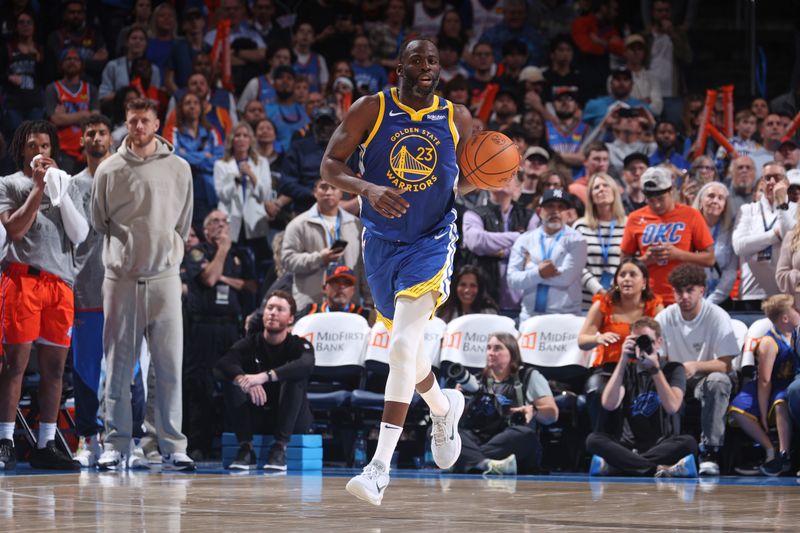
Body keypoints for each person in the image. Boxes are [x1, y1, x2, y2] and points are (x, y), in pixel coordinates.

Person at [320, 39, 473, 505]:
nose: (427, 66)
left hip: (432, 239)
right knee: (406, 352)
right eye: (417, 60)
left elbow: (466, 176)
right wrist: (366, 188)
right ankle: (444, 407)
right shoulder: (372, 108)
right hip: (382, 242)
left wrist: (489, 175)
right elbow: (330, 165)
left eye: (433, 60)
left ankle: (379, 467)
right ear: (399, 67)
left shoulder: (457, 117)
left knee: (403, 344)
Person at [91, 98, 195, 472]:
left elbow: (183, 222)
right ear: (127, 123)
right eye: (132, 121)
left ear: (156, 124)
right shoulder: (109, 169)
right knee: (118, 365)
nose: (138, 127)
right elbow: (99, 221)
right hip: (121, 279)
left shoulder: (180, 168)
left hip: (165, 277)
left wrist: (167, 252)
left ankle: (170, 444)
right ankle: (115, 443)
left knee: (169, 366)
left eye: (144, 121)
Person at [0, 120, 89, 471]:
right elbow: (16, 229)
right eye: (32, 145)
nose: (39, 152)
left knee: (54, 370)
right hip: (22, 280)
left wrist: (60, 191)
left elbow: (80, 235)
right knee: (15, 365)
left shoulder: (68, 184)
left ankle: (46, 444)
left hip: (60, 284)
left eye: (46, 146)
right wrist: (38, 188)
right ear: (21, 149)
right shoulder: (9, 184)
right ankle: (5, 440)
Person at [71, 114, 150, 469]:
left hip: (124, 288)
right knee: (86, 370)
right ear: (82, 142)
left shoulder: (127, 180)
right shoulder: (70, 186)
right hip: (85, 289)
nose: (97, 138)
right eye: (91, 133)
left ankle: (130, 441)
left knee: (131, 370)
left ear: (111, 139)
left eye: (103, 132)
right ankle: (88, 439)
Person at [183, 209, 257, 460]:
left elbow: (251, 286)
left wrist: (225, 275)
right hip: (202, 328)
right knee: (199, 386)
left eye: (225, 221)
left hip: (230, 328)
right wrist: (222, 251)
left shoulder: (241, 254)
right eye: (214, 221)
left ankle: (242, 444)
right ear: (205, 229)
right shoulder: (197, 251)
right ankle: (198, 445)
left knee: (236, 384)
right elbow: (209, 279)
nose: (221, 225)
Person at [656, 264, 740, 476]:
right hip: (678, 381)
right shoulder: (665, 317)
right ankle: (663, 451)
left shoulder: (717, 316)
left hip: (707, 378)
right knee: (653, 380)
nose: (684, 296)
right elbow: (658, 359)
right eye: (678, 291)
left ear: (702, 290)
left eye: (689, 290)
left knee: (717, 381)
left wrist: (695, 366)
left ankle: (710, 451)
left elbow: (725, 364)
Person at [585, 317, 697, 477]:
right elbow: (609, 404)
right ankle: (658, 469)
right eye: (636, 341)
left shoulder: (673, 369)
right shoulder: (626, 370)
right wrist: (623, 359)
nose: (641, 346)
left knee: (689, 443)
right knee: (593, 439)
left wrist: (655, 370)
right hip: (627, 446)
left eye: (647, 341)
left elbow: (672, 407)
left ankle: (620, 467)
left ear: (658, 342)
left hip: (662, 445)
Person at [216, 289, 314, 471]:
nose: (273, 313)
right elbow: (223, 363)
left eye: (280, 309)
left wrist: (264, 376)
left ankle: (280, 447)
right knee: (233, 380)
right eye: (270, 308)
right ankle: (246, 448)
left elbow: (306, 364)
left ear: (291, 318)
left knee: (294, 378)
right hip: (258, 413)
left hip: (290, 418)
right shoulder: (251, 342)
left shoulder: (297, 344)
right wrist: (243, 379)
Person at [453, 333, 557, 475]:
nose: (491, 353)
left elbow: (552, 415)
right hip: (479, 438)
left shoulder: (529, 376)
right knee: (441, 431)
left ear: (512, 353)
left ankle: (467, 459)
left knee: (526, 434)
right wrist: (457, 399)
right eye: (489, 348)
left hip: (508, 440)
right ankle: (487, 464)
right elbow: (456, 420)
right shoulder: (475, 381)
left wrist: (535, 411)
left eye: (497, 348)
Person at [578, 258, 664, 425]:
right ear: (616, 281)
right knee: (597, 392)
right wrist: (598, 338)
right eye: (622, 275)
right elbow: (582, 341)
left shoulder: (655, 306)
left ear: (644, 282)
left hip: (643, 369)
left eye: (633, 275)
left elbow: (664, 341)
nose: (626, 279)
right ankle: (602, 441)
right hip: (609, 369)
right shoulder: (603, 305)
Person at [620, 167, 715, 305]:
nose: (656, 204)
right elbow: (624, 262)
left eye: (660, 198)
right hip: (647, 298)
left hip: (683, 298)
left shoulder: (691, 215)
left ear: (671, 191)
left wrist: (678, 255)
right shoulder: (635, 218)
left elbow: (710, 259)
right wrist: (645, 260)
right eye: (651, 200)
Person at [728, 295, 798, 476]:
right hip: (769, 385)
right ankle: (772, 449)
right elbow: (764, 381)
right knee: (739, 408)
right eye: (795, 310)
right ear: (785, 317)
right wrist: (763, 414)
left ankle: (784, 452)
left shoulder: (794, 333)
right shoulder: (769, 342)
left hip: (785, 383)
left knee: (782, 399)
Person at [507, 189, 588, 321]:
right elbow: (512, 280)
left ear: (568, 214)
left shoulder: (577, 240)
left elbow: (566, 278)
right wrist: (538, 272)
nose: (555, 211)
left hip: (566, 317)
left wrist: (530, 267)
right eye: (550, 206)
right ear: (539, 212)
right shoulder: (524, 240)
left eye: (561, 207)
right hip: (529, 317)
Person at [462, 175, 536, 317]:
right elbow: (476, 241)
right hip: (484, 300)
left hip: (522, 304)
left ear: (518, 187)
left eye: (509, 176)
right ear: (487, 184)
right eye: (499, 174)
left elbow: (534, 246)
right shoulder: (473, 214)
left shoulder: (529, 216)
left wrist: (494, 250)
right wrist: (519, 237)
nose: (503, 178)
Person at [213, 122, 273, 279]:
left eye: (245, 136)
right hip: (231, 221)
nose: (241, 139)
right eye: (237, 135)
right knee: (233, 267)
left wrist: (252, 176)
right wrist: (238, 180)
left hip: (254, 222)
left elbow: (265, 195)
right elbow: (222, 195)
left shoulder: (261, 163)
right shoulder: (221, 165)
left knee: (259, 268)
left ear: (250, 140)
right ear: (232, 140)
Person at [732, 162, 794, 309]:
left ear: (786, 182)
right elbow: (739, 246)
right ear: (762, 182)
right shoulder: (747, 209)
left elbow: (791, 242)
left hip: (785, 294)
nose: (772, 182)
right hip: (751, 293)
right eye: (768, 178)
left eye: (777, 178)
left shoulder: (795, 209)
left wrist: (781, 204)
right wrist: (774, 235)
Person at [167, 91, 224, 228]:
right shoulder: (173, 131)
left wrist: (188, 155)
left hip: (211, 191)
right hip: (185, 191)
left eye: (195, 103)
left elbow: (219, 160)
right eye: (187, 103)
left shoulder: (212, 131)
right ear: (181, 108)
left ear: (201, 107)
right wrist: (205, 155)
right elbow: (174, 159)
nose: (192, 106)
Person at [573, 173, 627, 308]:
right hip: (587, 303)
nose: (602, 189)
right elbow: (576, 266)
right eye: (596, 187)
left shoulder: (628, 225)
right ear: (591, 196)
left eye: (606, 185)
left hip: (619, 301)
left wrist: (616, 291)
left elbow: (631, 263)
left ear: (614, 191)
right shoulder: (580, 226)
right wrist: (599, 290)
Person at [44, 48, 100, 174]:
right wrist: (84, 114)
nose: (72, 62)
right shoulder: (53, 89)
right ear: (61, 64)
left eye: (76, 59)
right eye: (68, 59)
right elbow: (56, 119)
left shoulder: (91, 89)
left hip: (86, 147)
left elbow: (96, 120)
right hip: (62, 148)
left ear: (81, 64)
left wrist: (66, 117)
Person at [693, 182, 737, 306]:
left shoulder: (731, 231)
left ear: (725, 205)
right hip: (691, 298)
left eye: (720, 198)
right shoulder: (689, 229)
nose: (715, 201)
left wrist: (711, 302)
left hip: (719, 299)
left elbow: (730, 272)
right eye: (710, 196)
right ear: (701, 201)